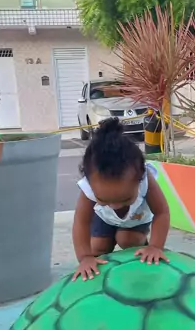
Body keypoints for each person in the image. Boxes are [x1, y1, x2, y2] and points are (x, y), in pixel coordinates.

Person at [72, 118, 171, 281]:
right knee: (98, 247)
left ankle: (141, 248)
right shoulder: (88, 188)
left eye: (125, 198)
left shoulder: (146, 179)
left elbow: (162, 212)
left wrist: (155, 246)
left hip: (136, 219)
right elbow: (81, 223)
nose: (115, 206)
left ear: (140, 178)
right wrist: (85, 257)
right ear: (89, 183)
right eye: (103, 199)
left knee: (128, 240)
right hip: (103, 218)